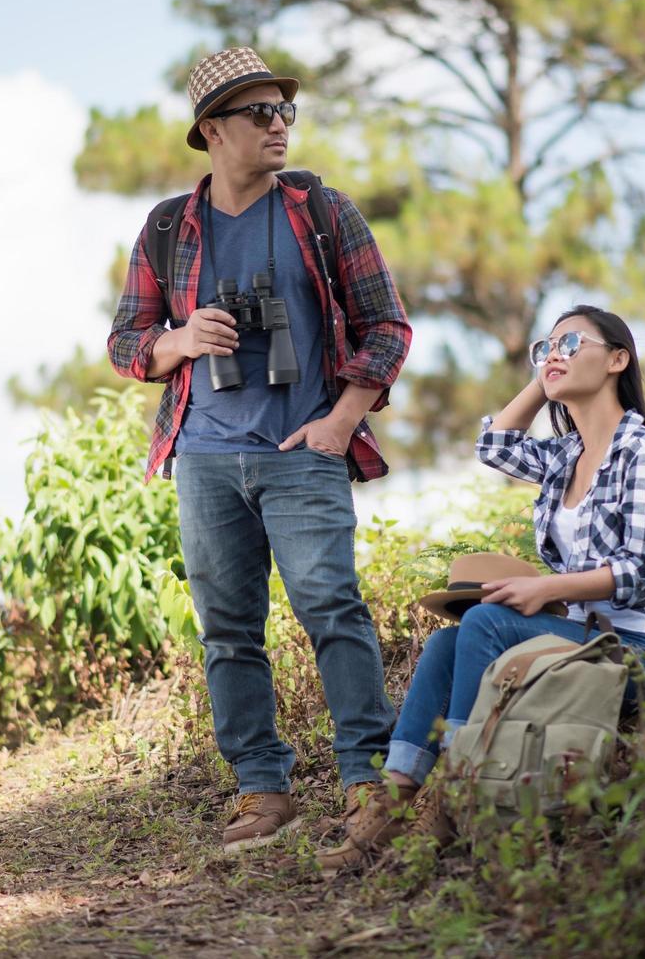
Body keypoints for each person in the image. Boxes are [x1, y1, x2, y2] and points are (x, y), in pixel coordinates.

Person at [107, 47, 412, 852]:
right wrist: (179, 339)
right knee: (228, 631)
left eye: (285, 112)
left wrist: (340, 422)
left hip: (302, 448)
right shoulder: (169, 228)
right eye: (258, 113)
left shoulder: (320, 210)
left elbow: (387, 327)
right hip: (203, 457)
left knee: (332, 611)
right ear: (211, 130)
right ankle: (260, 790)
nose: (278, 126)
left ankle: (366, 780)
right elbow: (124, 344)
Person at [319, 304, 645, 868]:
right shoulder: (568, 456)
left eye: (572, 344)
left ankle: (456, 791)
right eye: (546, 348)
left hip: (644, 651)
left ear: (619, 359)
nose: (555, 355)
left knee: (486, 622)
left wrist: (548, 589)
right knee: (448, 643)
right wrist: (546, 377)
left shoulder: (644, 456)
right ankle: (395, 802)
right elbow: (493, 445)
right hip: (581, 636)